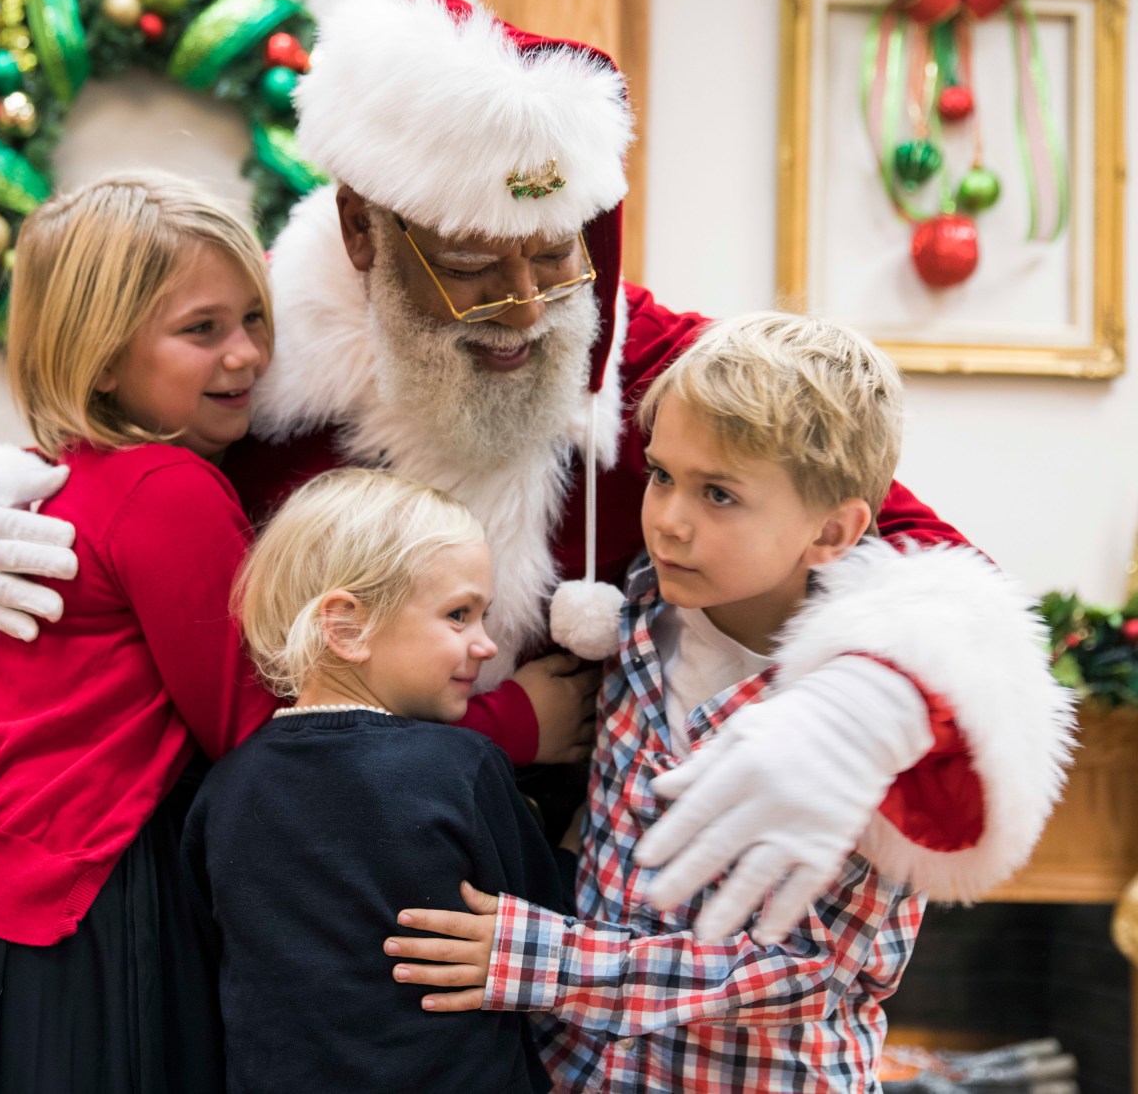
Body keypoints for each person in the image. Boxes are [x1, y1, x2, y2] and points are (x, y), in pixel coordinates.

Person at [0, 0, 1072, 940]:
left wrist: (874, 699)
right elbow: (102, 477)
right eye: (467, 261)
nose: (520, 305)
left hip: (563, 908)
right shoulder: (267, 360)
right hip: (294, 893)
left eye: (553, 254)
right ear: (362, 231)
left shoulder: (653, 363)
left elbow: (925, 558)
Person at [381, 313, 1074, 1091]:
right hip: (576, 1073)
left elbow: (808, 974)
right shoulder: (636, 615)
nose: (669, 519)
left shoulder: (871, 712)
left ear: (832, 530)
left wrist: (546, 960)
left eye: (719, 494)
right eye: (663, 475)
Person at [0, 171, 286, 1093]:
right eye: (202, 329)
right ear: (101, 357)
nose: (249, 355)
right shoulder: (170, 491)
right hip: (95, 919)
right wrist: (505, 722)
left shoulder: (62, 475)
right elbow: (253, 728)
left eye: (253, 317)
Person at [176, 468, 571, 1093]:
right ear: (347, 627)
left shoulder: (224, 792)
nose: (487, 645)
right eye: (459, 615)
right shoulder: (461, 769)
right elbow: (548, 925)